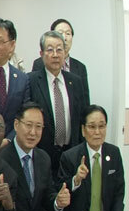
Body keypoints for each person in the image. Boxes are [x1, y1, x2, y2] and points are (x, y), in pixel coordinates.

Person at [27, 30, 87, 165]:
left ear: (65, 53)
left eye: (59, 50)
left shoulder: (76, 82)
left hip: (71, 152)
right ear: (41, 54)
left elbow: (82, 117)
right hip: (41, 153)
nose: (55, 55)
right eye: (50, 50)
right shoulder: (31, 80)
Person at [30, 18, 89, 98]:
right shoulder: (39, 63)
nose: (64, 38)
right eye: (60, 33)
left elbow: (84, 102)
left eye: (68, 33)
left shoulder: (80, 68)